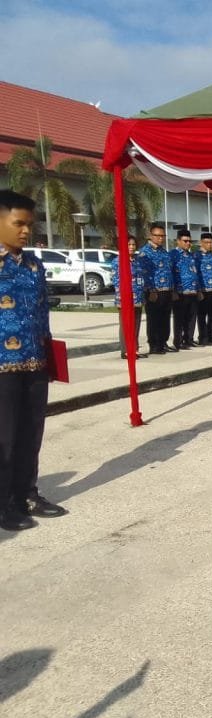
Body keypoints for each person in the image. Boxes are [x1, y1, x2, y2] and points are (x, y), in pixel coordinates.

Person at [0, 189, 69, 531]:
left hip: (34, 361)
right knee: (5, 437)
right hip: (2, 367)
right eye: (18, 223)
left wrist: (49, 356)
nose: (26, 231)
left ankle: (27, 494)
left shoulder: (32, 264)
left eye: (30, 224)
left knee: (31, 433)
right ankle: (3, 503)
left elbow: (42, 314)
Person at [139, 223, 174, 354]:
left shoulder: (164, 252)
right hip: (154, 291)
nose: (161, 238)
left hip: (166, 290)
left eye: (163, 236)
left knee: (165, 318)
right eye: (158, 235)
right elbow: (145, 273)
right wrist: (151, 290)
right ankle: (154, 345)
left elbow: (169, 271)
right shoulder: (145, 252)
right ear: (150, 236)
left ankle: (163, 342)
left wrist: (172, 289)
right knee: (154, 319)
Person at [112, 235, 147, 360]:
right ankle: (126, 350)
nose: (131, 247)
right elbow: (117, 281)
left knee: (136, 325)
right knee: (126, 325)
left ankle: (134, 348)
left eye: (133, 245)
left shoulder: (137, 261)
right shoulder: (118, 261)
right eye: (129, 245)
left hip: (138, 297)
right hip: (125, 298)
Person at [170, 229, 200, 350]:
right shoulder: (173, 255)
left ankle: (189, 339)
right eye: (185, 241)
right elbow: (170, 273)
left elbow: (195, 273)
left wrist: (198, 290)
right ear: (178, 241)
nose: (188, 243)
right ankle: (178, 341)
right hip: (180, 292)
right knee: (179, 318)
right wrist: (174, 291)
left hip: (192, 291)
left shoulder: (191, 255)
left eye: (189, 241)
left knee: (191, 317)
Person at [196, 232, 212, 345]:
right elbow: (195, 274)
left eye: (211, 242)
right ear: (201, 243)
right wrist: (198, 290)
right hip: (204, 290)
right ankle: (203, 337)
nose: (210, 244)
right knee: (202, 315)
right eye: (207, 242)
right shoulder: (196, 256)